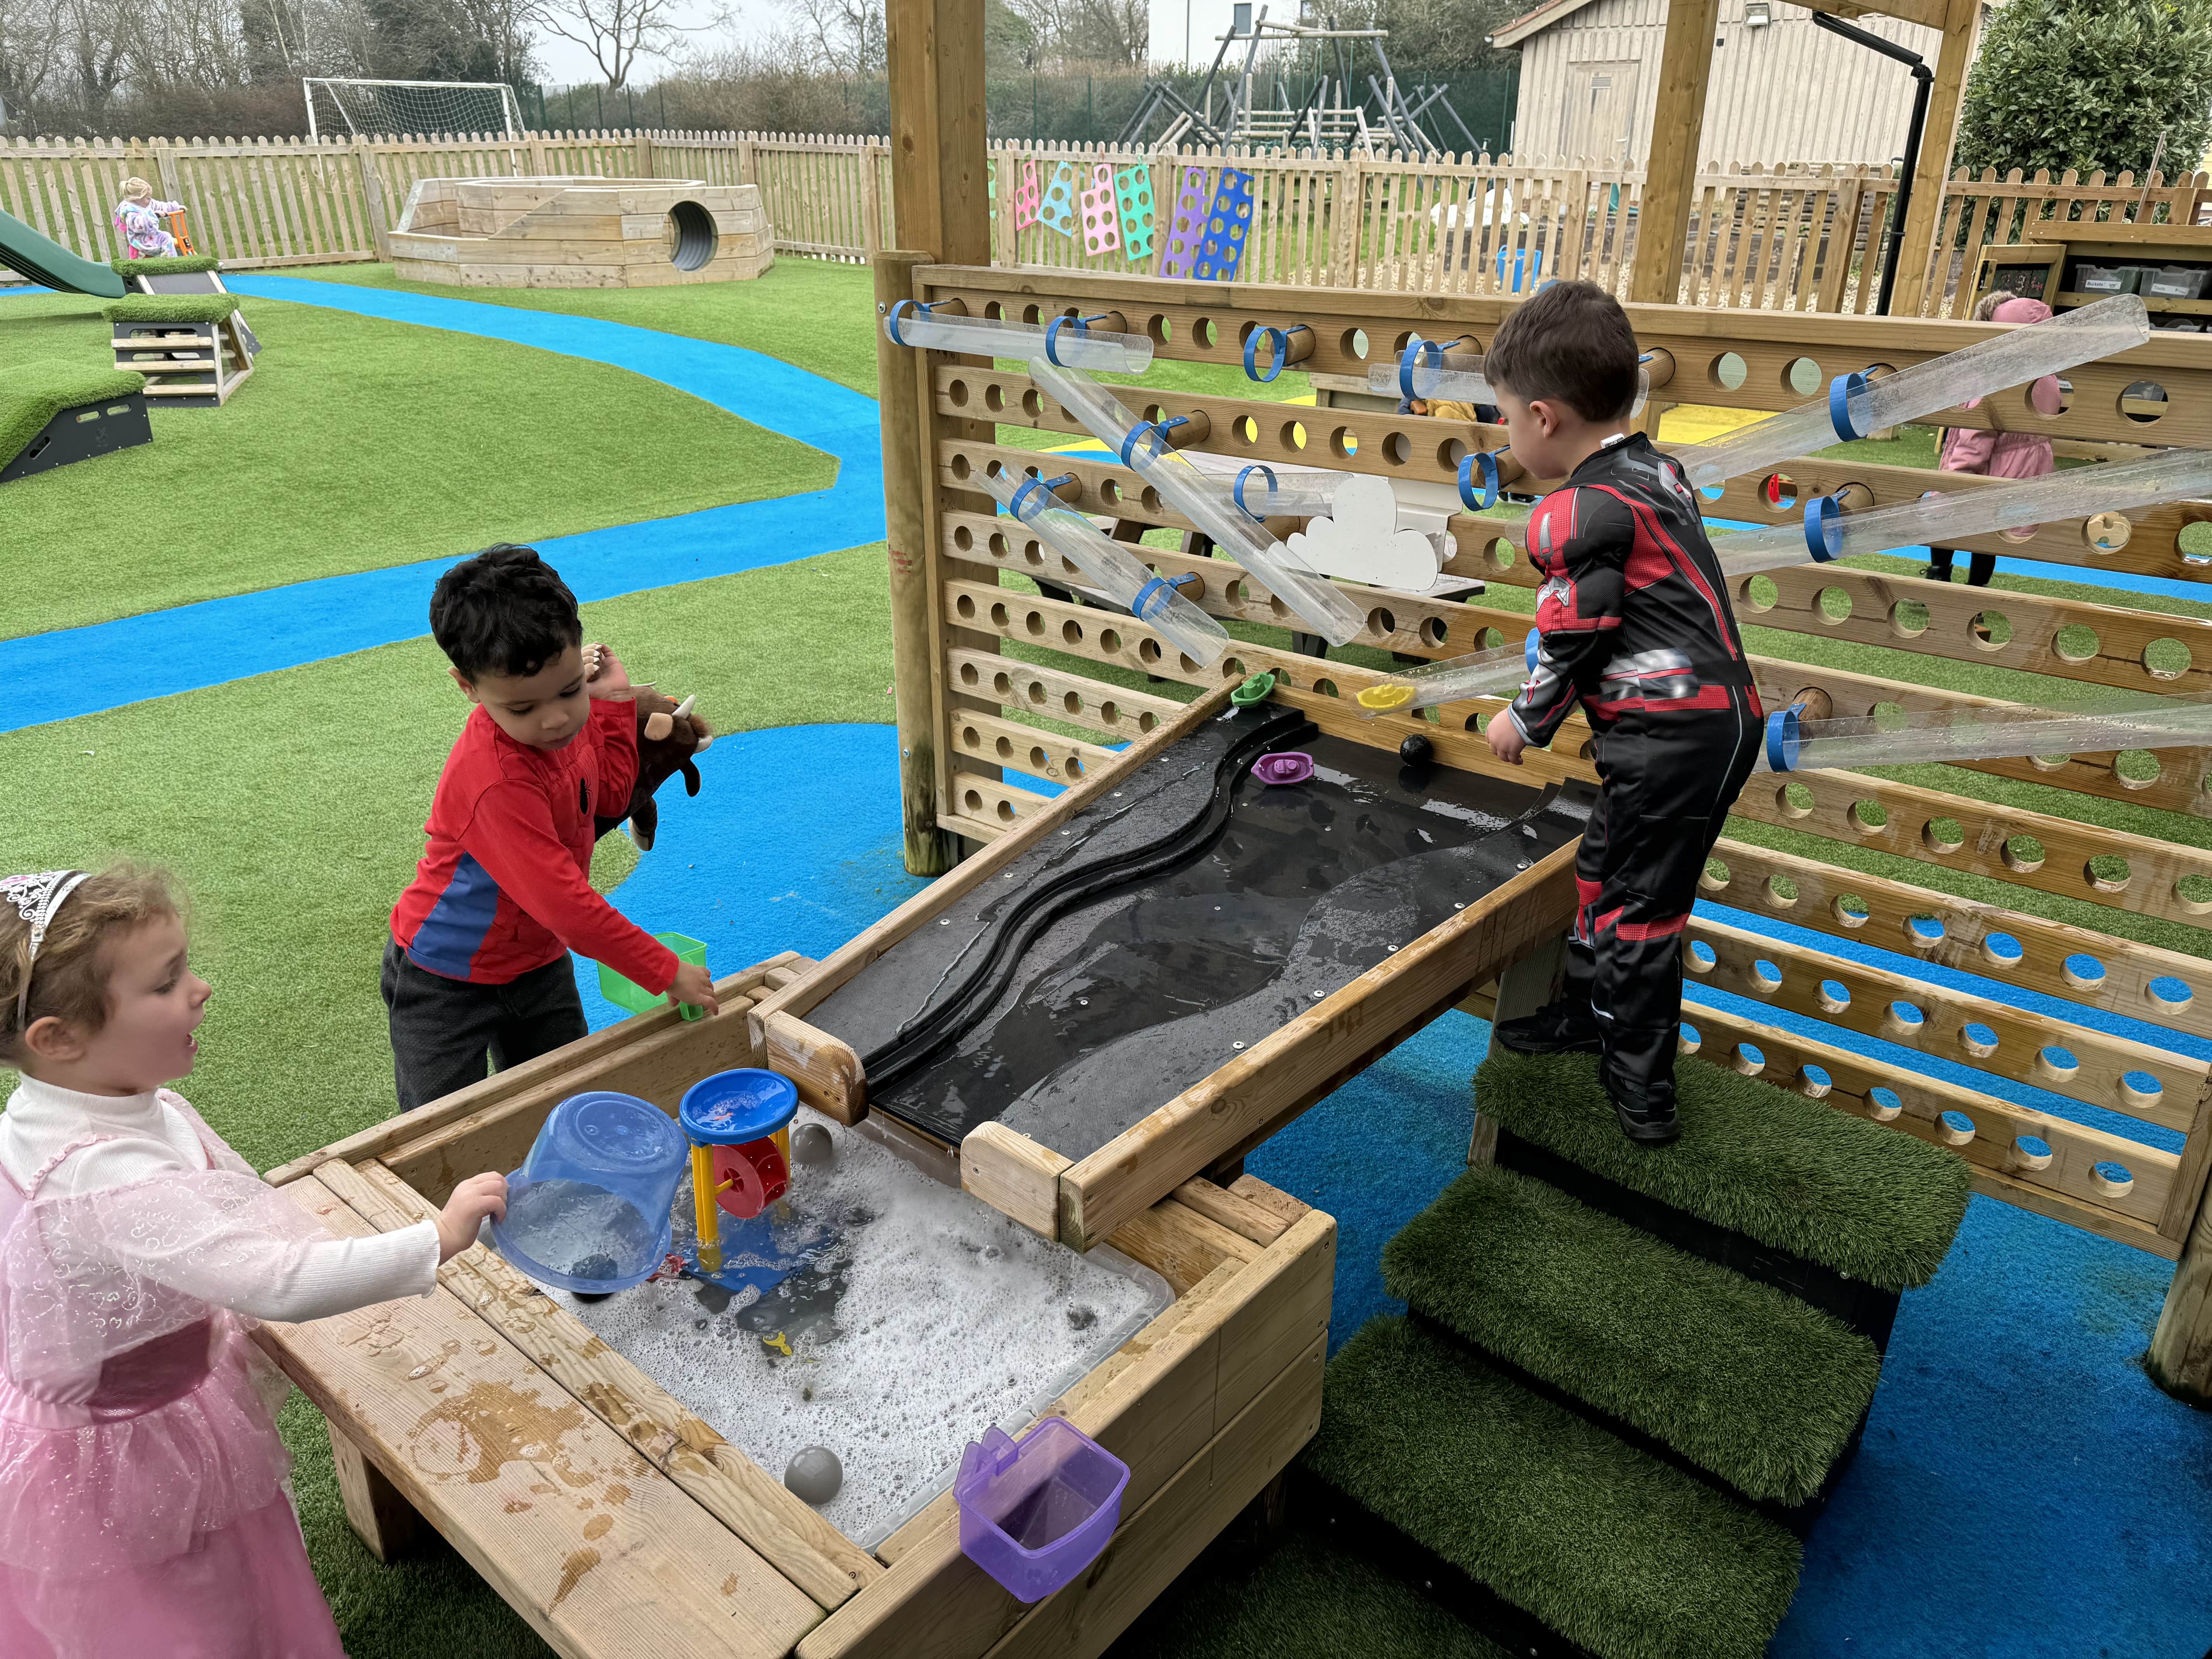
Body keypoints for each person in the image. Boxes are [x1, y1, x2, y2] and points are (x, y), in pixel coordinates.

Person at [0, 864, 509, 1657]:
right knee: (187, 1606)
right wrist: (433, 1240)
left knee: (236, 1554)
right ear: (59, 1039)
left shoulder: (97, 1096)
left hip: (152, 1395)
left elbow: (220, 1187)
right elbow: (277, 1283)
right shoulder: (102, 1182)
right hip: (128, 1455)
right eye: (167, 984)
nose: (200, 990)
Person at [1480, 282, 1763, 1146]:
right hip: (1710, 722)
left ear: (1543, 416)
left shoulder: (1576, 511)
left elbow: (1576, 639)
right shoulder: (1654, 470)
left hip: (1668, 735)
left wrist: (1522, 723)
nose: (1504, 435)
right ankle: (1586, 1012)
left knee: (1638, 911)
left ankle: (1641, 1095)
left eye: (1505, 418)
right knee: (1606, 870)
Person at [385, 544, 721, 1111]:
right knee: (442, 1130)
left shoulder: (564, 727)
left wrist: (612, 701)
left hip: (537, 965)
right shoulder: (495, 781)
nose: (556, 719)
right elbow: (568, 909)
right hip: (444, 979)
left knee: (565, 1101)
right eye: (521, 709)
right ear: (467, 687)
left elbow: (612, 794)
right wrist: (666, 971)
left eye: (569, 691)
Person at [1923, 292, 2065, 585]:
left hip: (1988, 465)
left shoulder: (1993, 380)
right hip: (2026, 467)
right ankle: (1979, 586)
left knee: (1943, 514)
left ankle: (1939, 574)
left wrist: (1957, 475)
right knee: (1993, 533)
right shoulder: (2048, 377)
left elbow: (1976, 433)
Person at [113, 178, 187, 259]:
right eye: (148, 198)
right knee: (166, 237)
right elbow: (140, 225)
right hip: (140, 240)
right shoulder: (130, 211)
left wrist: (177, 208)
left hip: (150, 236)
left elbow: (161, 206)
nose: (150, 200)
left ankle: (171, 258)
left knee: (166, 237)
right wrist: (155, 215)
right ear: (138, 198)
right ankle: (169, 262)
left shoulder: (147, 203)